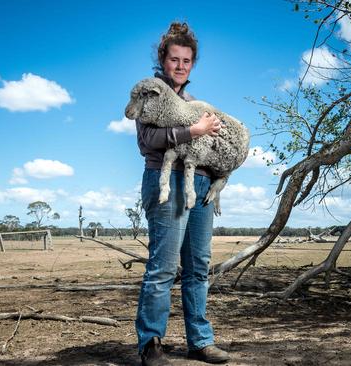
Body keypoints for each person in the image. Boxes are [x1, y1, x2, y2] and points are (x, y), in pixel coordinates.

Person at [134, 22, 230, 366]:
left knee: (199, 267)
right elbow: (148, 142)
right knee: (162, 267)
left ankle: (200, 342)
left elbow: (211, 146)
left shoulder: (193, 102)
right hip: (167, 181)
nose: (180, 65)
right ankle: (151, 343)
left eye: (186, 60)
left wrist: (217, 151)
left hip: (201, 185)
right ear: (163, 59)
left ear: (192, 64)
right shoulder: (149, 94)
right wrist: (194, 130)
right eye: (174, 59)